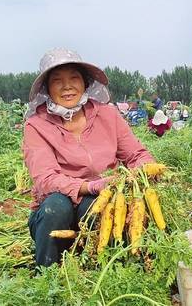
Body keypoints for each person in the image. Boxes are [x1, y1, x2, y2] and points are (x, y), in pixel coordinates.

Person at [22, 49, 155, 267]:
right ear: (47, 88)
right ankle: (47, 276)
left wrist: (144, 171)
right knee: (56, 206)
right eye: (57, 81)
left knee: (94, 207)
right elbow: (45, 179)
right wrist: (91, 186)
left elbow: (136, 154)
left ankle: (104, 267)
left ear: (85, 82)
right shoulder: (36, 125)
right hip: (55, 208)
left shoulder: (108, 115)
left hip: (100, 201)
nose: (67, 86)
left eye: (74, 77)